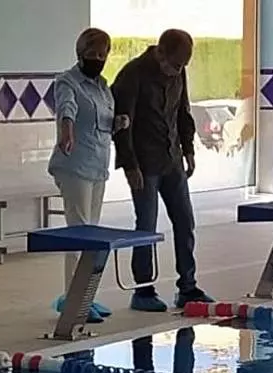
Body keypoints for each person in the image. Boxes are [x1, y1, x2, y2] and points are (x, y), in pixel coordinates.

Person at [111, 29, 214, 312]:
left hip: (172, 160)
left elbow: (183, 112)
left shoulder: (179, 72)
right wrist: (129, 165)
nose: (178, 71)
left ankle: (188, 287)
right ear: (160, 52)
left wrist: (189, 149)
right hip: (144, 163)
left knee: (185, 221)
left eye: (183, 65)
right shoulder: (133, 74)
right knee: (146, 226)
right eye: (175, 64)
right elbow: (122, 124)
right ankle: (143, 290)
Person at [48, 27, 129, 324]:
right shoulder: (67, 81)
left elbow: (101, 123)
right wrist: (66, 129)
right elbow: (66, 108)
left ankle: (85, 295)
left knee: (91, 234)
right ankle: (72, 298)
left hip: (97, 166)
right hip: (74, 166)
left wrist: (117, 122)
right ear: (80, 53)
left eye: (102, 54)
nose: (98, 59)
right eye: (92, 53)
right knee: (79, 232)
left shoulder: (103, 87)